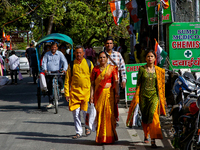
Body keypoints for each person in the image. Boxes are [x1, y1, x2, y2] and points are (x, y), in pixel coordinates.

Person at [126, 49, 166, 148]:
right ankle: (146, 134)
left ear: (155, 58)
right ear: (145, 58)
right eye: (148, 56)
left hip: (154, 96)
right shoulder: (142, 69)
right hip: (143, 96)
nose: (150, 58)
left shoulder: (159, 71)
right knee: (145, 118)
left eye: (151, 56)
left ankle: (153, 139)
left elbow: (161, 86)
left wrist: (163, 99)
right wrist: (136, 98)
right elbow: (138, 84)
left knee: (153, 116)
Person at [64, 45, 94, 139]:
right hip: (74, 93)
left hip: (86, 93)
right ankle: (78, 132)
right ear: (74, 53)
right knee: (76, 114)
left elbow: (93, 79)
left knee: (85, 113)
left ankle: (87, 128)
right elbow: (67, 80)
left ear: (84, 53)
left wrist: (93, 94)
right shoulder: (72, 64)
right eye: (77, 52)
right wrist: (66, 93)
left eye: (80, 52)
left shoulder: (89, 63)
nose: (79, 54)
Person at [90, 51, 119, 144]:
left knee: (109, 115)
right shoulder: (95, 70)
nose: (102, 59)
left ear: (107, 58)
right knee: (100, 115)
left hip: (109, 95)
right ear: (98, 59)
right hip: (99, 95)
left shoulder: (112, 68)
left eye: (104, 57)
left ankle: (110, 137)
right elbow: (92, 84)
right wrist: (91, 96)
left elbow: (116, 82)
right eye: (100, 57)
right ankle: (101, 137)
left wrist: (117, 94)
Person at [104, 36, 127, 122]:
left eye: (110, 43)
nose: (109, 45)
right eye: (107, 43)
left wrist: (124, 80)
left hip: (115, 82)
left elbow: (122, 68)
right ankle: (107, 117)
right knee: (105, 100)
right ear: (105, 44)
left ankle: (113, 117)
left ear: (113, 45)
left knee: (115, 100)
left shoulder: (118, 55)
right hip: (104, 83)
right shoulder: (102, 55)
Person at [42, 42, 68, 108]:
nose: (53, 49)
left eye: (55, 47)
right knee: (49, 87)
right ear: (51, 48)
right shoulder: (47, 54)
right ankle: (50, 102)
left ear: (57, 48)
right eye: (52, 47)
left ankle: (62, 88)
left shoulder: (60, 54)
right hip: (49, 72)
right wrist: (45, 69)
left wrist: (65, 69)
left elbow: (64, 61)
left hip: (57, 71)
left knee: (60, 80)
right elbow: (44, 62)